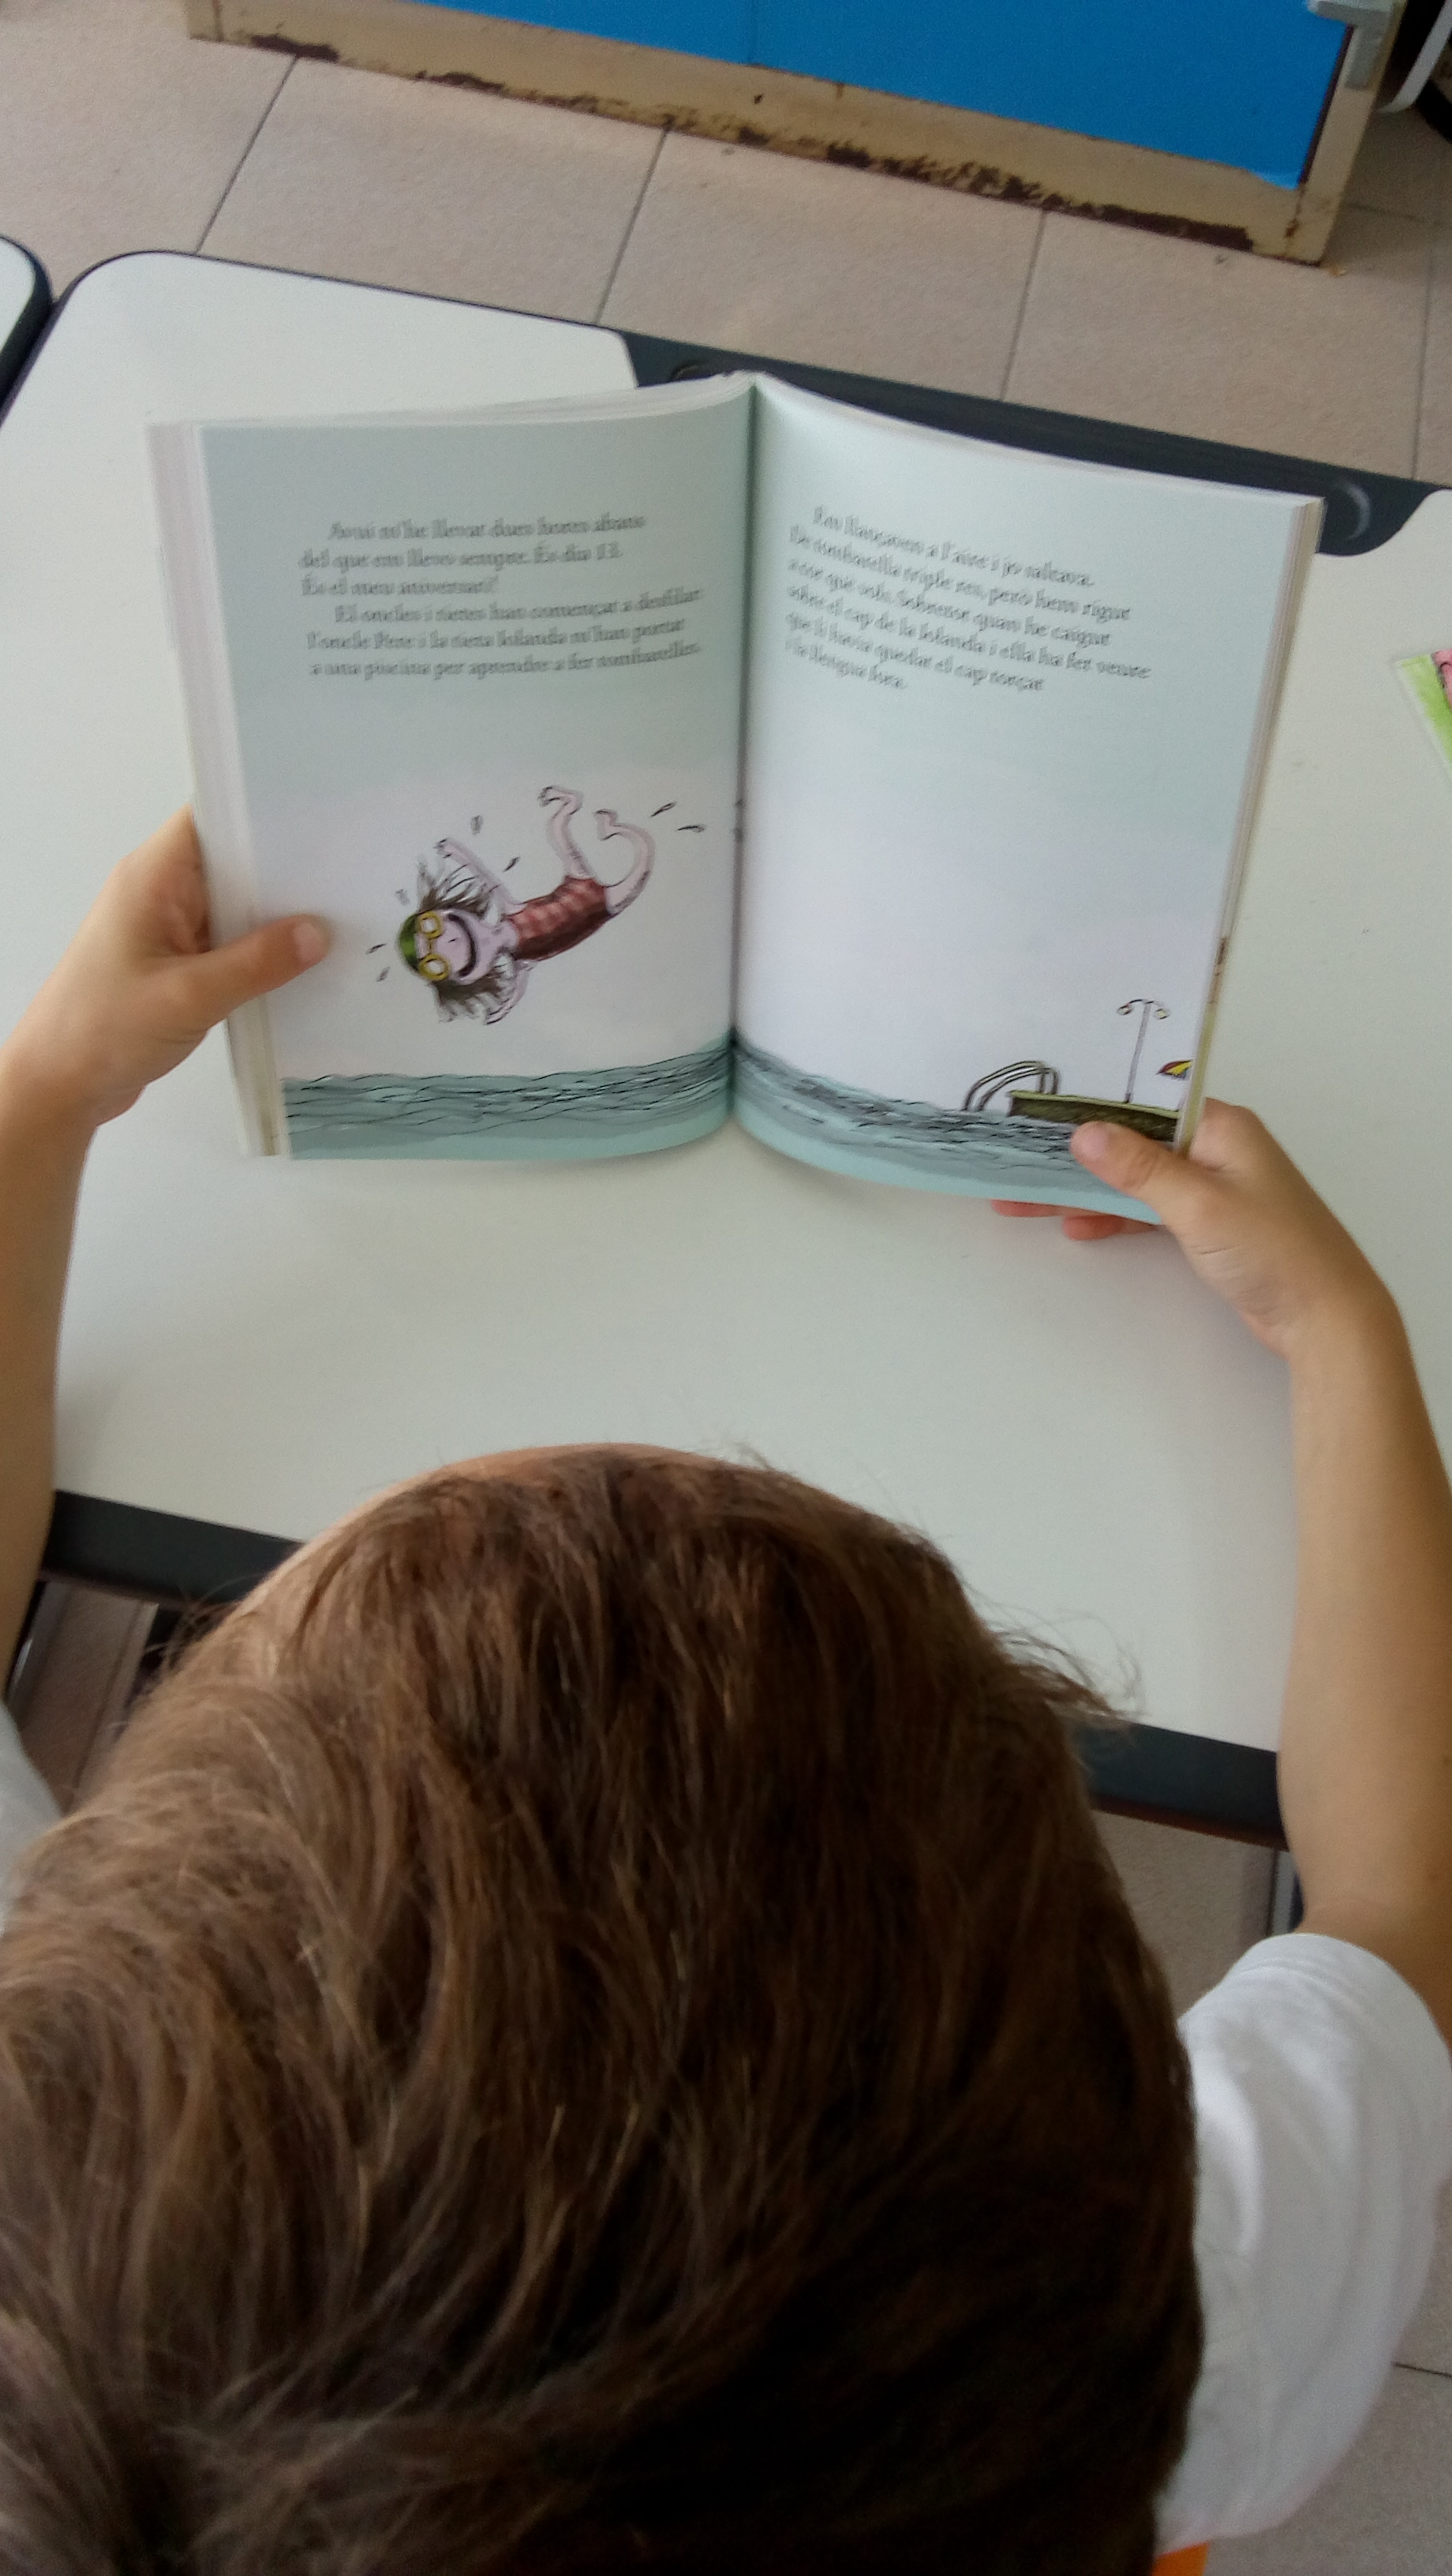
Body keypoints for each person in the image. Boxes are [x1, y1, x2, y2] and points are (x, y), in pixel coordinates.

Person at [0, 811, 1446, 2576]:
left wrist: (42, 1096)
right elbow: (1399, 1903)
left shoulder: (54, 2172)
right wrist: (1341, 1334)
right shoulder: (1186, 2310)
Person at [396, 788, 654, 1024]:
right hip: (602, 908)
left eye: (434, 930)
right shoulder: (524, 959)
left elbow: (486, 878)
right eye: (437, 962)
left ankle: (573, 804)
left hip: (576, 887)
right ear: (464, 978)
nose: (448, 943)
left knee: (558, 831)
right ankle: (607, 825)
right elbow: (516, 991)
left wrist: (459, 853)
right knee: (642, 859)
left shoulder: (511, 910)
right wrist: (502, 1010)